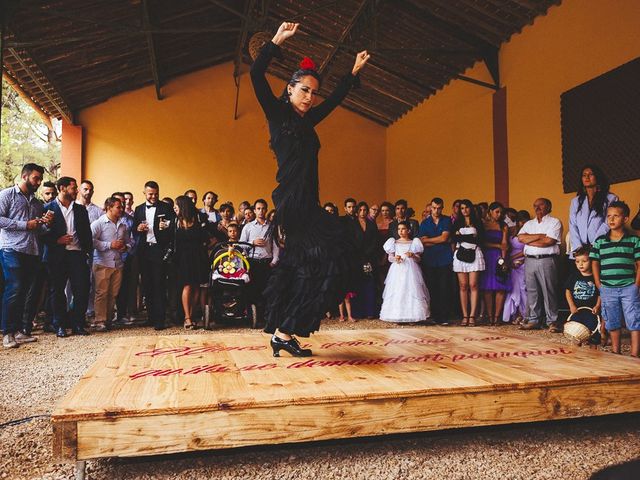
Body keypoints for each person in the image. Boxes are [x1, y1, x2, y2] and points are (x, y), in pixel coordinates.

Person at [250, 21, 369, 357]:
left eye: (313, 92)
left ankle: (283, 332)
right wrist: (275, 40)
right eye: (304, 90)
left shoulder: (308, 120)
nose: (309, 97)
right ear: (289, 89)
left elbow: (334, 100)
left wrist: (353, 71)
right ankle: (285, 330)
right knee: (327, 258)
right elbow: (257, 77)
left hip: (308, 203)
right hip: (292, 203)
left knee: (313, 264)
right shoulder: (276, 114)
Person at [0, 164, 52, 348]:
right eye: (35, 178)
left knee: (24, 292)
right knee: (14, 288)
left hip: (32, 251)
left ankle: (19, 331)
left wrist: (46, 224)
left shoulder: (37, 203)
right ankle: (7, 333)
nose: (38, 182)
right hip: (11, 249)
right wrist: (25, 225)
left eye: (39, 179)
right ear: (24, 176)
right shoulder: (7, 195)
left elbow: (38, 230)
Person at [43, 177, 93, 338]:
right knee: (57, 291)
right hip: (57, 255)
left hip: (77, 255)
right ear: (62, 188)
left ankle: (78, 323)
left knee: (82, 289)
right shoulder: (47, 208)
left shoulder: (80, 210)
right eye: (73, 187)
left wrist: (87, 252)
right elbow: (40, 234)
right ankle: (59, 325)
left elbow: (87, 233)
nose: (76, 190)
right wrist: (56, 240)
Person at [590, 201, 640, 357]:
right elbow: (595, 263)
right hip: (607, 288)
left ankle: (634, 354)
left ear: (625, 219)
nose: (611, 219)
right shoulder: (600, 241)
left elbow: (639, 264)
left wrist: (636, 285)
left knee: (634, 320)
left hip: (629, 287)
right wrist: (599, 284)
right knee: (612, 321)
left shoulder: (634, 241)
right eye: (609, 216)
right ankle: (615, 353)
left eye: (616, 216)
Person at [134, 181, 175, 330]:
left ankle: (160, 320)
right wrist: (138, 228)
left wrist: (168, 226)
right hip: (144, 251)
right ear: (144, 193)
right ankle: (150, 317)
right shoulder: (138, 209)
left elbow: (174, 226)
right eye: (150, 194)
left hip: (159, 250)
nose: (153, 196)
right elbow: (133, 229)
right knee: (147, 285)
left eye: (156, 194)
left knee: (159, 285)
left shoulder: (166, 207)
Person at [517, 198, 563, 332]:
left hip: (547, 259)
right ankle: (534, 320)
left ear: (549, 207)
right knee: (532, 291)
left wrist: (529, 239)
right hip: (530, 260)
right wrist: (540, 236)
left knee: (549, 290)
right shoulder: (529, 224)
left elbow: (549, 241)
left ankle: (552, 321)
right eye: (535, 205)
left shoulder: (555, 222)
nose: (537, 208)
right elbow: (521, 238)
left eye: (540, 205)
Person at [90, 196, 131, 331]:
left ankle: (108, 319)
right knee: (101, 292)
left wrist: (126, 247)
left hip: (118, 264)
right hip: (102, 263)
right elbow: (90, 241)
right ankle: (99, 320)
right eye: (118, 207)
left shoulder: (123, 225)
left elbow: (129, 241)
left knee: (113, 293)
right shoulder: (98, 223)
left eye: (122, 207)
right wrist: (109, 245)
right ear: (109, 208)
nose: (121, 209)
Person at [380, 221, 430, 323]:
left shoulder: (414, 242)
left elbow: (418, 259)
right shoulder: (394, 242)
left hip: (411, 270)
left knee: (411, 289)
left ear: (408, 230)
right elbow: (390, 258)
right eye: (399, 229)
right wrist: (395, 258)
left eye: (403, 229)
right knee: (398, 290)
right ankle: (397, 315)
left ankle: (412, 316)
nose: (401, 231)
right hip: (397, 269)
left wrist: (413, 256)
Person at [172, 195, 209, 329]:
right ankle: (187, 317)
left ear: (183, 206)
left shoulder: (199, 218)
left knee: (197, 287)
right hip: (183, 258)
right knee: (187, 286)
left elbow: (207, 236)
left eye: (176, 205)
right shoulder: (176, 221)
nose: (174, 207)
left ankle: (192, 315)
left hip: (199, 256)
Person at [240, 198, 279, 324]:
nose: (261, 211)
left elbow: (275, 245)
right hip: (253, 262)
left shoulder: (271, 227)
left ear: (266, 210)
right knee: (253, 291)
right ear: (254, 210)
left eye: (263, 208)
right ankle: (253, 318)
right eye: (258, 209)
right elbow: (241, 245)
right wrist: (252, 243)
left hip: (267, 262)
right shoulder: (248, 227)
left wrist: (274, 260)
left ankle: (267, 318)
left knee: (267, 291)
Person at [569, 165, 617, 258]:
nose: (587, 177)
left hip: (601, 245)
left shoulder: (610, 198)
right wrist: (578, 247)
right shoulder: (576, 201)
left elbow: (608, 223)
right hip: (580, 251)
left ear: (598, 177)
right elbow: (572, 224)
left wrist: (594, 244)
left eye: (590, 174)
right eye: (584, 175)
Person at [418, 197, 453, 325]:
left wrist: (430, 240)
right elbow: (422, 241)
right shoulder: (425, 223)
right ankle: (434, 315)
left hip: (444, 259)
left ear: (442, 208)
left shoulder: (447, 220)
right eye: (434, 208)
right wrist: (439, 240)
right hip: (430, 259)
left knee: (444, 287)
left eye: (439, 208)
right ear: (430, 208)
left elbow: (445, 238)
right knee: (432, 287)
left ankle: (443, 317)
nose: (436, 210)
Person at [452, 199, 485, 326]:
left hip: (475, 253)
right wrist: (470, 237)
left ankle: (472, 315)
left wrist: (461, 236)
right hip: (460, 254)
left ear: (471, 208)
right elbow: (453, 237)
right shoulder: (457, 222)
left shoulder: (478, 222)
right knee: (463, 285)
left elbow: (481, 239)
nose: (464, 210)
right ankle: (465, 315)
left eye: (466, 207)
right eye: (462, 208)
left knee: (473, 285)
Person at [565, 246, 604, 348]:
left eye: (584, 261)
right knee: (576, 334)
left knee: (593, 335)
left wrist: (597, 306)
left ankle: (593, 355)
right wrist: (571, 306)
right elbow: (568, 291)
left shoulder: (595, 277)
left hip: (591, 312)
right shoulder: (574, 276)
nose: (580, 264)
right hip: (577, 311)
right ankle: (577, 356)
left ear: (591, 262)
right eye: (577, 262)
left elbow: (600, 293)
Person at [480, 202, 511, 326]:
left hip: (499, 257)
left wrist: (503, 260)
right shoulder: (483, 225)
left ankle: (497, 317)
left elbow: (504, 244)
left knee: (500, 286)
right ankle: (490, 315)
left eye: (501, 212)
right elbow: (482, 243)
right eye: (496, 211)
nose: (499, 214)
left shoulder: (504, 226)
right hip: (486, 256)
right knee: (487, 287)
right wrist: (497, 245)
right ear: (490, 212)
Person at [350, 201, 379, 319]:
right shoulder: (352, 224)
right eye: (360, 210)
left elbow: (375, 240)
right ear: (357, 212)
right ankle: (357, 312)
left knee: (370, 285)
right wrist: (359, 255)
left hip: (369, 258)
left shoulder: (371, 224)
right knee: (357, 285)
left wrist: (367, 255)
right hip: (356, 258)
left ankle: (370, 312)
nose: (362, 212)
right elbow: (350, 241)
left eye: (365, 210)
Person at [502, 210, 530, 324]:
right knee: (513, 288)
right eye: (521, 221)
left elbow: (526, 250)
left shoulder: (529, 233)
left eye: (525, 221)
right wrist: (509, 260)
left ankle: (525, 314)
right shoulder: (513, 231)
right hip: (511, 263)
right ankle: (515, 314)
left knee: (524, 289)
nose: (523, 224)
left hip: (523, 261)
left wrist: (515, 258)